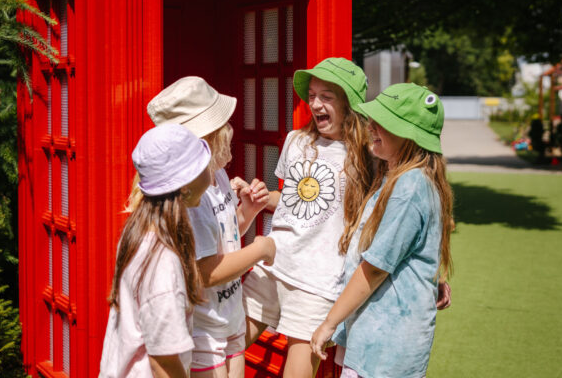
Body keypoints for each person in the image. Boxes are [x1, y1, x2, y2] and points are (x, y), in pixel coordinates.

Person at [240, 57, 377, 377]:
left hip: (318, 281)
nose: (315, 104)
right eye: (312, 95)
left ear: (349, 104)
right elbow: (290, 199)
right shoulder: (296, 140)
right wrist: (260, 197)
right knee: (225, 349)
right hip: (272, 265)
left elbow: (384, 217)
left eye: (326, 97)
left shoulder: (368, 156)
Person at [310, 83, 453, 378]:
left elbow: (376, 267)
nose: (371, 126)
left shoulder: (409, 185)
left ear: (409, 136)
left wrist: (329, 322)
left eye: (384, 122)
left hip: (383, 346)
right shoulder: (403, 178)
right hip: (379, 340)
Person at [147, 76, 276, 378]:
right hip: (202, 328)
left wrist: (248, 211)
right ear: (208, 139)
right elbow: (206, 271)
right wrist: (261, 249)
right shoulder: (192, 195)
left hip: (230, 314)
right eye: (223, 126)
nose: (231, 129)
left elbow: (224, 236)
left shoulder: (217, 176)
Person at [99, 124, 213, 378]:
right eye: (202, 162)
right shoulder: (163, 263)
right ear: (185, 186)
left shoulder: (137, 230)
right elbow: (163, 362)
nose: (209, 164)